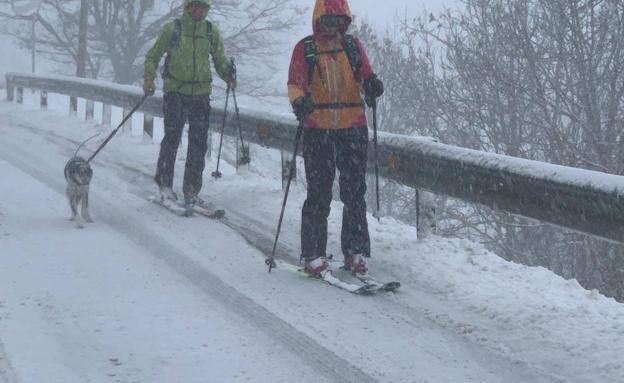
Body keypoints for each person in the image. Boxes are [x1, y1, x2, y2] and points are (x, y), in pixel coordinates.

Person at [287, 0, 384, 276]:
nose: (333, 26)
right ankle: (313, 253)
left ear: (345, 21)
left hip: (352, 125)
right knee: (319, 191)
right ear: (319, 20)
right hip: (318, 127)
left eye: (338, 21)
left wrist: (372, 84)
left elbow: (365, 75)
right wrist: (299, 102)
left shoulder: (352, 47)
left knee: (355, 192)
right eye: (328, 20)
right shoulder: (305, 49)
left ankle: (355, 251)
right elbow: (295, 83)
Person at [143, 0, 235, 211]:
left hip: (201, 95)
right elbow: (153, 55)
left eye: (203, 7)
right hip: (175, 92)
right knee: (172, 140)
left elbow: (220, 60)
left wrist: (228, 73)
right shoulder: (173, 28)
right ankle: (165, 186)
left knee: (198, 144)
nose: (199, 10)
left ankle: (191, 190)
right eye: (195, 6)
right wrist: (149, 78)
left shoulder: (211, 31)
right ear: (187, 7)